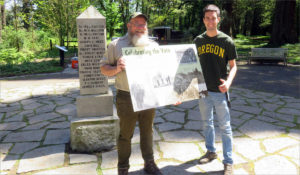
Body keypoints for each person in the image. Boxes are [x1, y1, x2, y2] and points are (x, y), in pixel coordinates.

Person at [100, 12, 162, 175]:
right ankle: (123, 167)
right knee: (125, 134)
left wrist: (171, 93)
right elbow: (103, 68)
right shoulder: (116, 45)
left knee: (147, 131)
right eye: (137, 24)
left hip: (148, 95)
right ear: (129, 25)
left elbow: (161, 72)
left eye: (143, 24)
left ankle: (149, 163)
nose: (141, 28)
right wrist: (116, 68)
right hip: (126, 96)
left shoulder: (153, 47)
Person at [194, 4, 237, 175]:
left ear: (218, 19)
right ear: (204, 20)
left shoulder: (227, 41)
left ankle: (228, 161)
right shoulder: (198, 41)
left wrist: (228, 83)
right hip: (203, 90)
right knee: (207, 124)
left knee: (225, 127)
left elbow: (234, 67)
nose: (211, 21)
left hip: (220, 91)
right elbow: (190, 66)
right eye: (207, 18)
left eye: (214, 18)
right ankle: (211, 151)